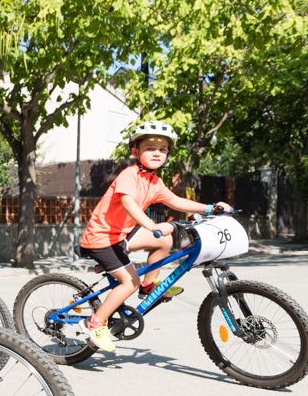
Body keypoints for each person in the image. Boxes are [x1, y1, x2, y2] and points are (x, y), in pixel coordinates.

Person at [76, 121, 232, 353]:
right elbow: (128, 203)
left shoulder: (154, 181)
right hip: (101, 238)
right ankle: (96, 323)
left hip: (122, 235)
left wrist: (209, 209)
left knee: (165, 241)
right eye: (150, 147)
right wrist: (151, 224)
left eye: (163, 149)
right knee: (129, 281)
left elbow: (175, 201)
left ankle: (149, 286)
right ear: (135, 151)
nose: (157, 152)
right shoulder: (129, 175)